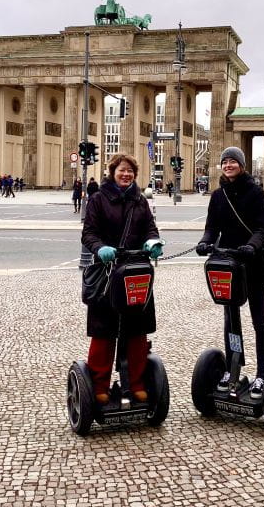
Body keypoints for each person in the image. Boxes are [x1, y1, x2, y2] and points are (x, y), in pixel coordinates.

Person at [81, 153, 165, 404]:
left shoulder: (140, 201)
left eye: (130, 171)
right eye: (121, 170)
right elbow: (88, 233)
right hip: (107, 274)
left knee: (137, 333)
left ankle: (136, 383)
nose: (126, 174)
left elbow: (150, 227)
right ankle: (99, 387)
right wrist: (100, 248)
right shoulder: (98, 199)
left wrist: (153, 241)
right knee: (104, 334)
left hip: (135, 273)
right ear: (112, 172)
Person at [196, 146, 264, 399]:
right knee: (231, 319)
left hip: (253, 262)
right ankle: (233, 367)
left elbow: (263, 228)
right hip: (228, 264)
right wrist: (205, 242)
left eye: (233, 161)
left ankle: (261, 375)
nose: (228, 165)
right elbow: (211, 227)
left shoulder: (256, 193)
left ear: (241, 165)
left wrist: (252, 246)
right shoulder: (218, 195)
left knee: (258, 320)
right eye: (225, 162)